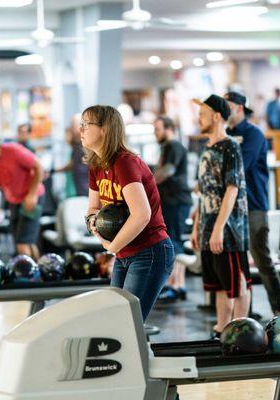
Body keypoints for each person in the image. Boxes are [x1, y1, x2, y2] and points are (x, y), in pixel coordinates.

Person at [82, 105, 174, 321]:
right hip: (125, 254)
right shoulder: (96, 165)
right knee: (119, 322)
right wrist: (94, 225)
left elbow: (142, 215)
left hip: (149, 252)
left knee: (126, 323)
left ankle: (142, 355)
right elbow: (92, 209)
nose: (81, 130)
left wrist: (111, 247)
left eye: (86, 124)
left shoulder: (125, 162)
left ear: (104, 129)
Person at [190, 95, 250, 337]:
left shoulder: (230, 146)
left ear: (216, 116)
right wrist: (197, 227)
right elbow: (204, 193)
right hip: (206, 225)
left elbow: (232, 189)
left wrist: (218, 228)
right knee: (219, 286)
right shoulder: (207, 148)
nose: (198, 118)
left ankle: (243, 331)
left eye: (202, 114)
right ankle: (223, 329)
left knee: (237, 282)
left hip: (229, 229)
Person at [225, 91, 280, 316]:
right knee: (239, 264)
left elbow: (240, 165)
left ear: (240, 108)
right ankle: (245, 313)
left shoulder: (254, 134)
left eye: (228, 106)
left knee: (262, 260)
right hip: (231, 208)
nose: (224, 111)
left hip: (254, 205)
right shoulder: (225, 134)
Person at [153, 116, 192, 303]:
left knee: (173, 242)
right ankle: (179, 284)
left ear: (169, 128)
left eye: (158, 129)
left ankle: (174, 285)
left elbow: (168, 171)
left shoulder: (173, 146)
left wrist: (147, 184)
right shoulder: (167, 147)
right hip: (172, 201)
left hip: (177, 200)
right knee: (174, 241)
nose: (155, 132)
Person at [54, 115, 89, 197]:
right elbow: (72, 164)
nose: (71, 128)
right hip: (79, 188)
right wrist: (54, 171)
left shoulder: (87, 144)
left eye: (72, 125)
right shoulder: (76, 145)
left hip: (87, 189)